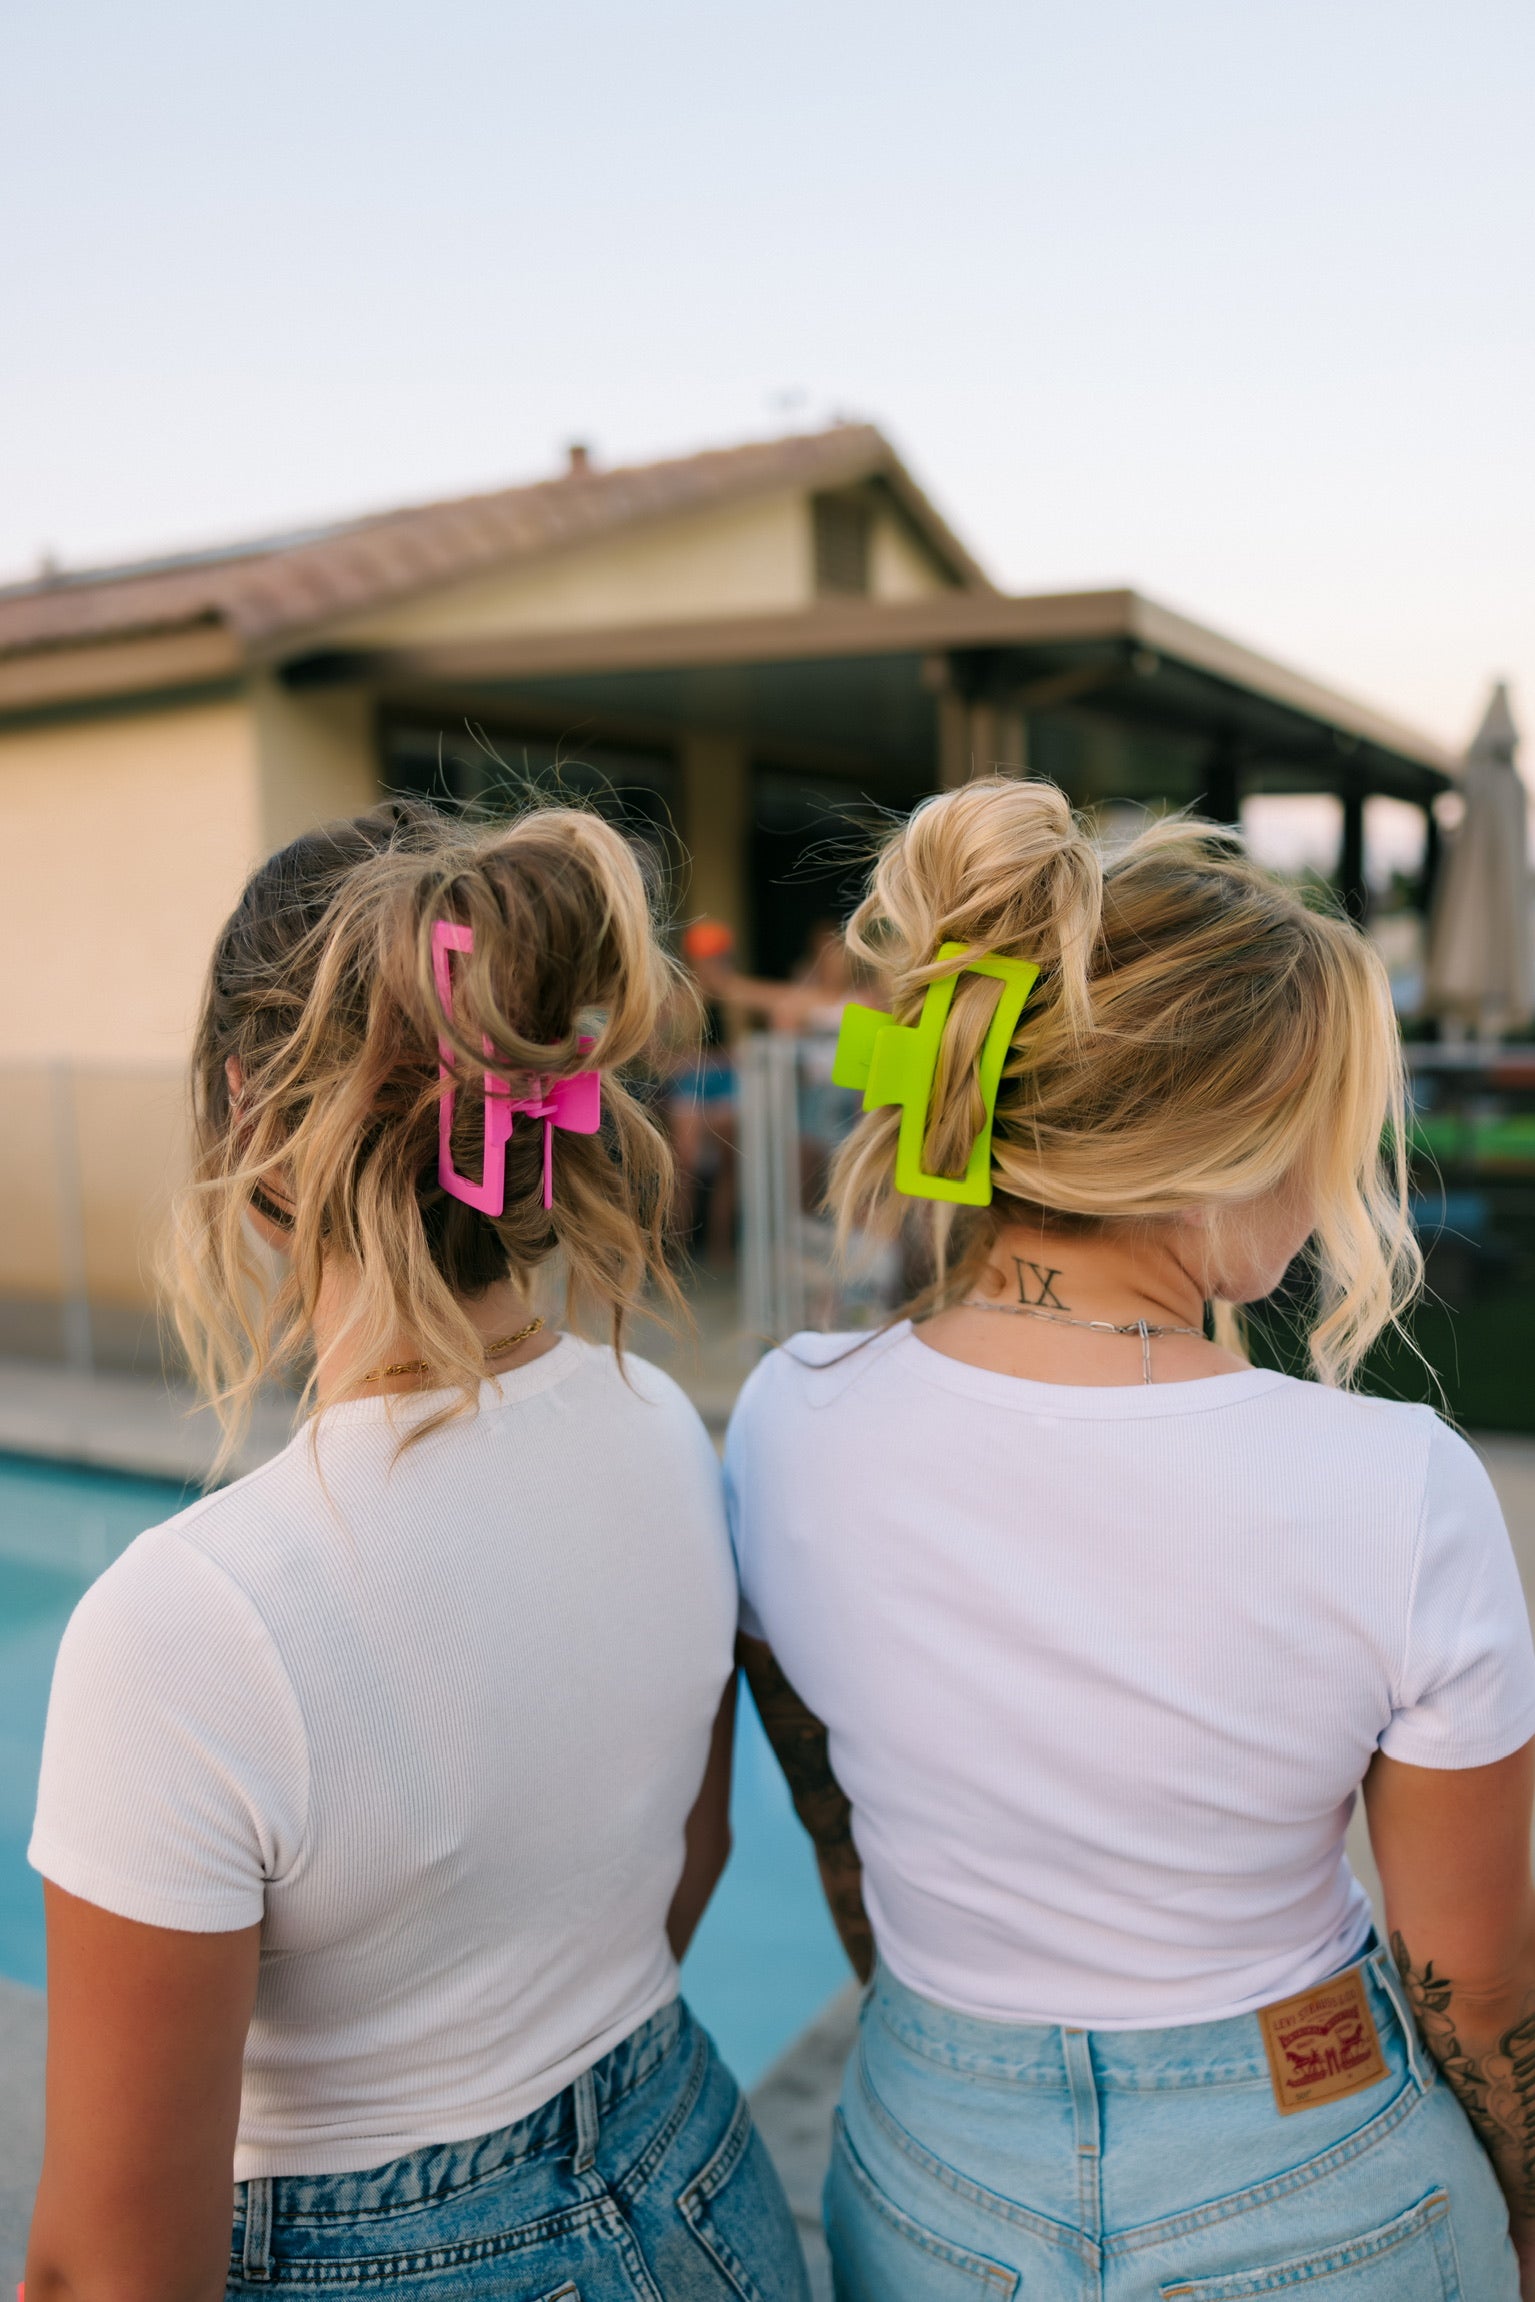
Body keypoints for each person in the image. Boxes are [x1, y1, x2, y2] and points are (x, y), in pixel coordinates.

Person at [726, 776, 1535, 2299]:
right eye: (1311, 1132)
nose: (1324, 1182)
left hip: (929, 2168)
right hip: (1317, 2169)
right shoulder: (1392, 1483)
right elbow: (1475, 1981)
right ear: (1217, 1150)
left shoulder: (787, 1419)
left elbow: (842, 1829)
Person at [26, 802, 808, 2302]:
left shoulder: (190, 1623)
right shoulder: (661, 1424)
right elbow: (689, 1858)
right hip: (699, 2181)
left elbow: (108, 2270)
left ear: (248, 1118)